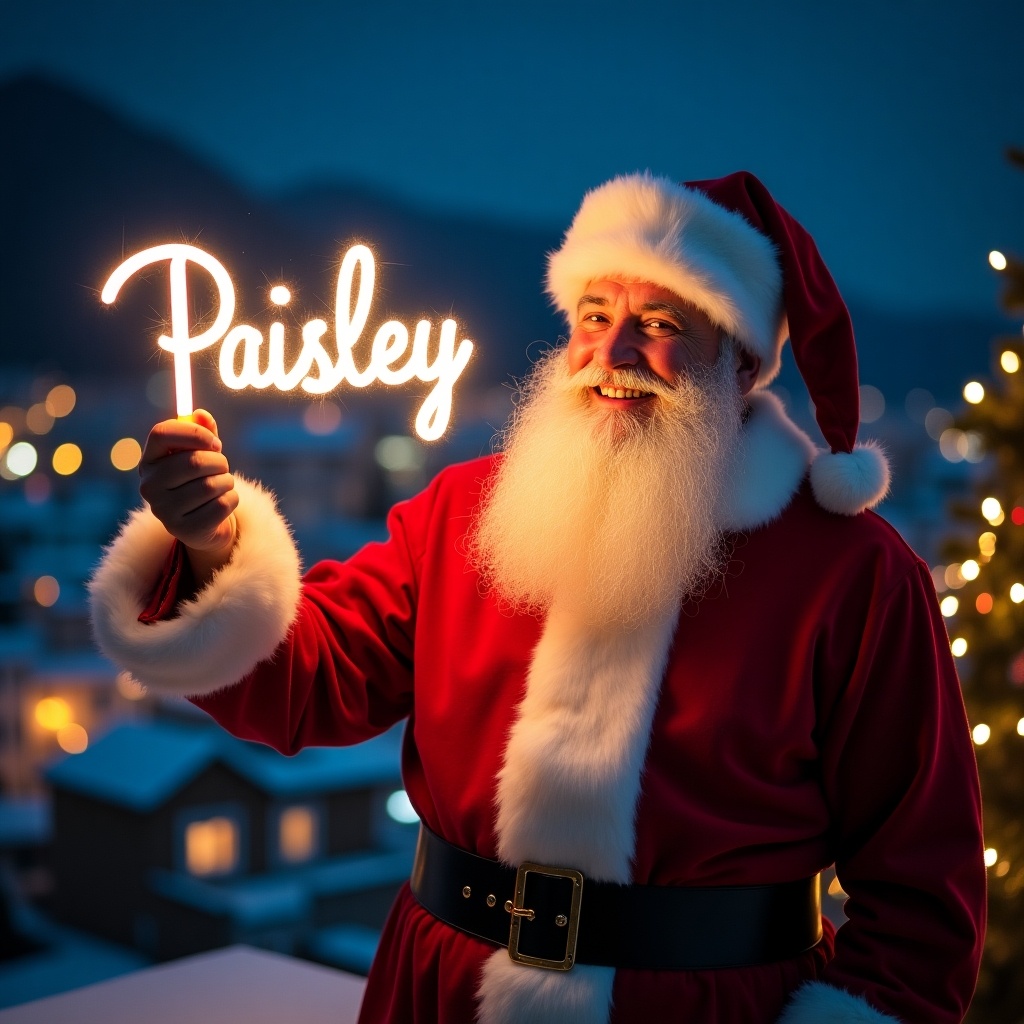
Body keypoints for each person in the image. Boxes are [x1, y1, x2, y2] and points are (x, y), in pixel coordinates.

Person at [89, 171, 986, 1024]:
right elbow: (306, 681)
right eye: (594, 315)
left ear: (741, 359)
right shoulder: (464, 516)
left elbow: (921, 903)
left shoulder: (854, 579)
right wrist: (210, 551)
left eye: (661, 320)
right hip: (442, 995)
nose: (615, 351)